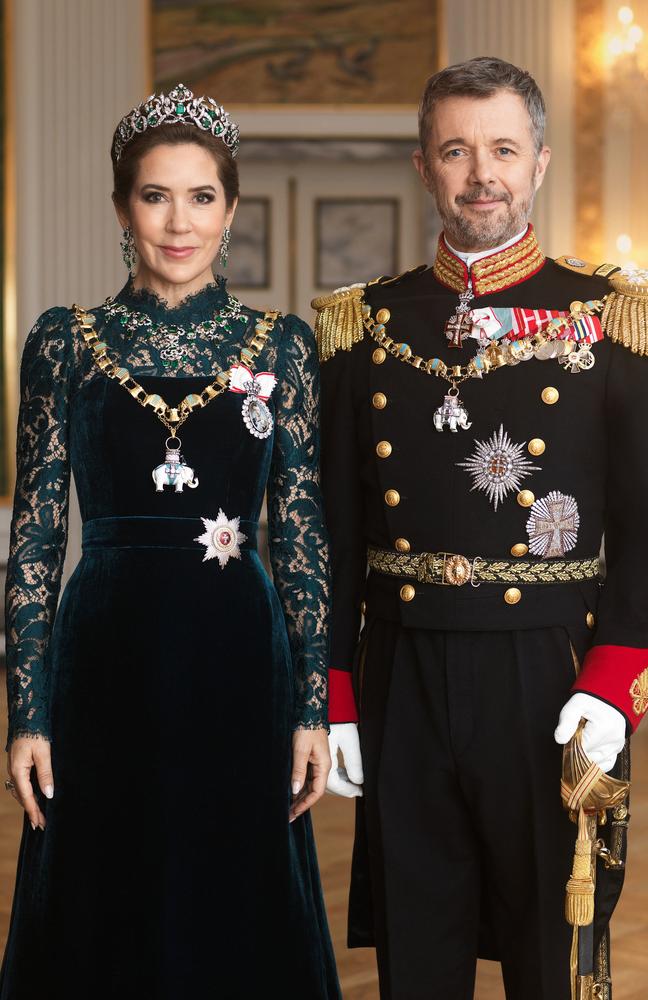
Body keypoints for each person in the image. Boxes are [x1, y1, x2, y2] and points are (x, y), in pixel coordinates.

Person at [314, 57, 648, 999]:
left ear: (540, 160)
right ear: (424, 166)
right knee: (418, 959)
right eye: (456, 150)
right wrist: (334, 688)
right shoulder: (364, 325)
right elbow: (335, 536)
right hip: (404, 674)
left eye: (502, 148)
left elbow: (646, 528)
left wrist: (617, 681)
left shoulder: (609, 320)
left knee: (552, 955)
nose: (481, 174)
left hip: (547, 672)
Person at [1, 84, 341, 1000]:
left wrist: (311, 705)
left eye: (200, 198)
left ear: (230, 210)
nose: (178, 222)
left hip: (240, 660)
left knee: (234, 896)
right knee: (99, 900)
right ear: (122, 208)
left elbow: (301, 529)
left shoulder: (282, 346)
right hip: (103, 660)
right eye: (156, 196)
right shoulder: (65, 343)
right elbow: (35, 535)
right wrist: (25, 712)